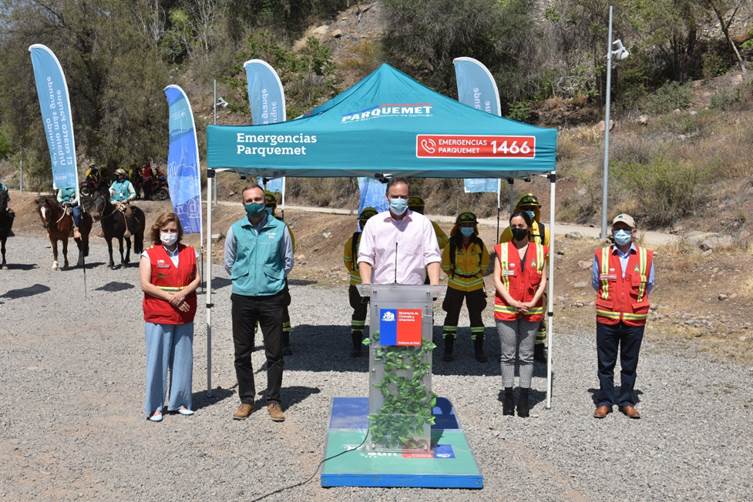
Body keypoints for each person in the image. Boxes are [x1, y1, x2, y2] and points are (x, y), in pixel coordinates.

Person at [224, 185, 294, 422]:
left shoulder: (280, 228)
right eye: (249, 200)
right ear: (243, 204)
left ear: (265, 201)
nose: (254, 202)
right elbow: (228, 261)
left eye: (258, 198)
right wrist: (244, 279)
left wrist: (270, 280)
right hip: (243, 297)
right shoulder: (235, 230)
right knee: (242, 352)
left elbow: (287, 261)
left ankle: (273, 400)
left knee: (274, 352)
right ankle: (246, 399)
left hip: (272, 298)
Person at [592, 213, 655, 419]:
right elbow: (596, 283)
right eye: (617, 229)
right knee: (606, 363)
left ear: (633, 232)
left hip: (634, 320)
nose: (621, 233)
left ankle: (627, 400)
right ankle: (605, 401)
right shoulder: (601, 255)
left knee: (630, 363)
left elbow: (650, 285)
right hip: (607, 318)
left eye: (625, 229)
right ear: (612, 232)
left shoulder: (646, 257)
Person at [139, 212, 200, 422]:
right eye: (165, 230)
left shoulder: (190, 252)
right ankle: (155, 406)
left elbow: (197, 278)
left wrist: (182, 294)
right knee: (157, 361)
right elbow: (145, 284)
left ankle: (181, 401)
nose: (169, 234)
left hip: (184, 313)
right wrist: (171, 298)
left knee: (183, 359)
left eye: (173, 230)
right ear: (158, 231)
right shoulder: (150, 254)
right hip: (159, 313)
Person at [494, 211, 548, 417]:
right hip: (506, 309)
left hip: (531, 309)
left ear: (529, 227)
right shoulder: (502, 250)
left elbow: (543, 279)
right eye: (513, 226)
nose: (517, 229)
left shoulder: (541, 251)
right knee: (507, 355)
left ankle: (524, 396)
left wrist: (533, 301)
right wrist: (512, 301)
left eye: (521, 225)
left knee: (526, 356)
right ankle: (508, 395)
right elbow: (497, 279)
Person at [358, 178, 441, 286]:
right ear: (386, 197)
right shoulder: (373, 224)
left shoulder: (422, 223)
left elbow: (432, 256)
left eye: (403, 197)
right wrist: (366, 284)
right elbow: (365, 257)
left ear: (408, 198)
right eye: (395, 196)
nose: (399, 200)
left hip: (414, 292)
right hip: (382, 293)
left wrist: (434, 285)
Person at [499, 193, 551, 363]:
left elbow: (546, 255)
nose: (530, 211)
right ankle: (511, 349)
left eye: (533, 209)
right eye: (526, 209)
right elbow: (503, 253)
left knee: (538, 314)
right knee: (511, 313)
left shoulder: (544, 230)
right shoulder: (510, 230)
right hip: (514, 278)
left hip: (536, 279)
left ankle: (538, 347)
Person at [441, 212, 490, 362]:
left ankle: (479, 350)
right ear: (458, 226)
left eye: (470, 225)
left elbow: (485, 263)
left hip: (475, 286)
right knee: (451, 317)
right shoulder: (452, 244)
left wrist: (475, 275)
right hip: (456, 285)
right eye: (464, 225)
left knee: (476, 319)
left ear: (474, 227)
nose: (467, 227)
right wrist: (456, 275)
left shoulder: (479, 244)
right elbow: (445, 264)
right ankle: (448, 350)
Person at [263, 191, 295, 355]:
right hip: (257, 278)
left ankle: (285, 341)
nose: (267, 208)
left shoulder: (282, 227)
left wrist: (281, 273)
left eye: (270, 206)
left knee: (282, 309)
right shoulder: (253, 224)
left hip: (278, 276)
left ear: (274, 207)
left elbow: (290, 251)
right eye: (265, 205)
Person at [343, 207, 378, 357]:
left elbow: (348, 261)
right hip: (378, 284)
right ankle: (379, 347)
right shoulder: (383, 239)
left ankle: (357, 347)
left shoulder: (354, 240)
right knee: (381, 315)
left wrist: (356, 274)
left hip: (358, 284)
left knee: (359, 314)